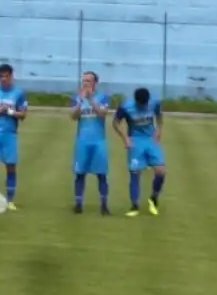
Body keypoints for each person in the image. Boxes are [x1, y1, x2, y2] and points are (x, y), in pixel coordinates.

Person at [0, 63, 29, 210]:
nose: (3, 79)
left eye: (6, 77)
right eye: (1, 77)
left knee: (11, 167)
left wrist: (10, 112)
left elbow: (23, 114)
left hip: (10, 134)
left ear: (11, 77)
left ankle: (10, 200)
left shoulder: (19, 93)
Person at [116, 87, 168, 217]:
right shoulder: (126, 107)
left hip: (150, 140)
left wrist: (159, 130)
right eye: (141, 104)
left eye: (145, 104)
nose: (144, 106)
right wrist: (125, 139)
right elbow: (116, 123)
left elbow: (159, 115)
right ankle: (134, 205)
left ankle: (154, 197)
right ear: (136, 101)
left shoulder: (154, 103)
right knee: (135, 173)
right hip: (135, 141)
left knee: (161, 171)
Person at [72, 71, 113, 215]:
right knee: (80, 174)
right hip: (82, 141)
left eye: (88, 81)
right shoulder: (78, 97)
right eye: (84, 81)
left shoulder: (103, 97)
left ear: (95, 83)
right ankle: (78, 204)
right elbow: (73, 116)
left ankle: (104, 205)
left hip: (99, 141)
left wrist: (91, 100)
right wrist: (81, 101)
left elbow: (102, 113)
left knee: (101, 174)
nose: (85, 83)